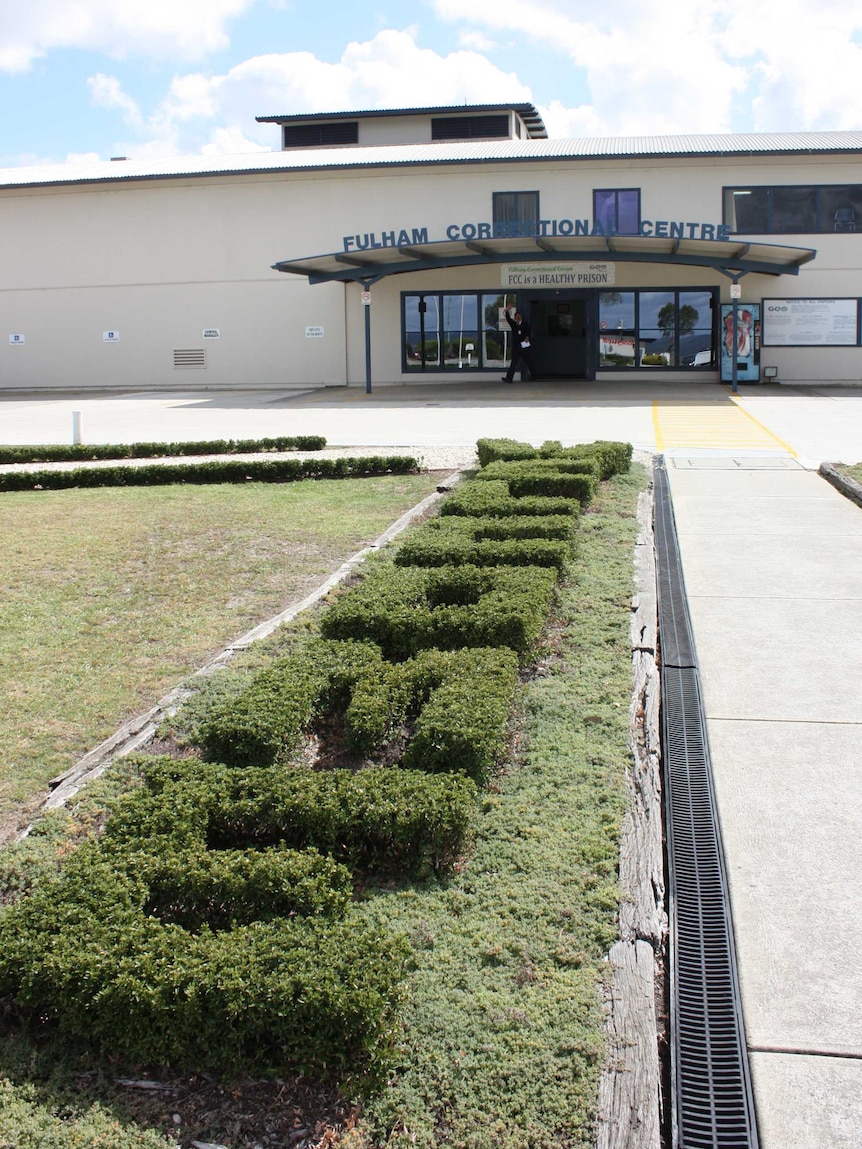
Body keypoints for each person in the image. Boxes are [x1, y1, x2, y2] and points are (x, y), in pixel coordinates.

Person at [501, 308, 534, 382]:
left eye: (519, 316)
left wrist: (527, 338)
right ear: (515, 318)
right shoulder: (514, 324)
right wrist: (507, 311)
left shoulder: (525, 325)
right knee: (513, 363)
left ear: (521, 317)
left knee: (528, 362)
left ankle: (534, 376)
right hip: (516, 347)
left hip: (524, 346)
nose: (518, 318)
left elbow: (529, 333)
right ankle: (509, 378)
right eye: (516, 317)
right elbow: (508, 319)